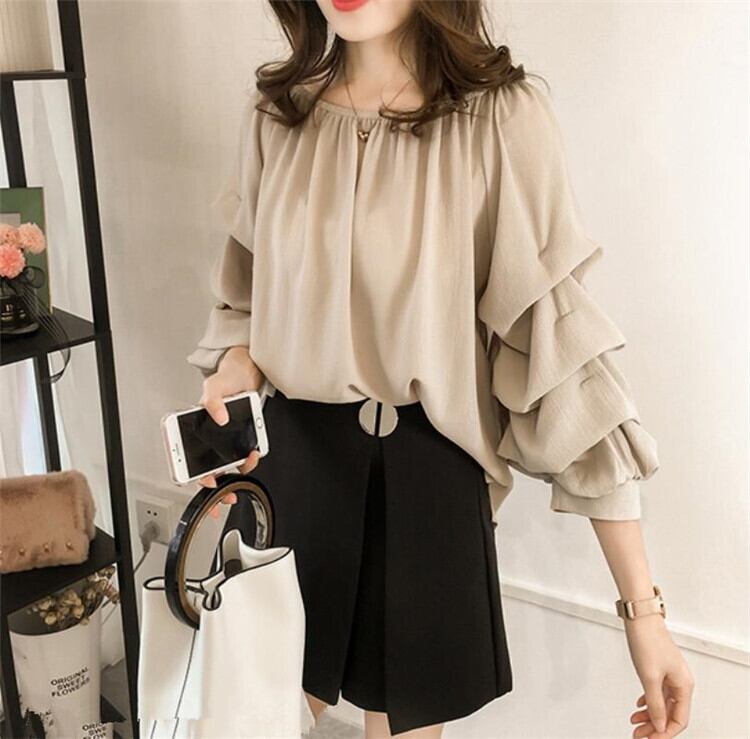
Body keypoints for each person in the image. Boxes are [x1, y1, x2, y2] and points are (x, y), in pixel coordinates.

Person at [186, 1, 695, 737]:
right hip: (291, 475)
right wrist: (238, 364)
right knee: (247, 720)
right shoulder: (278, 117)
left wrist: (643, 611)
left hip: (427, 486)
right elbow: (247, 299)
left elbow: (560, 362)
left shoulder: (500, 121)